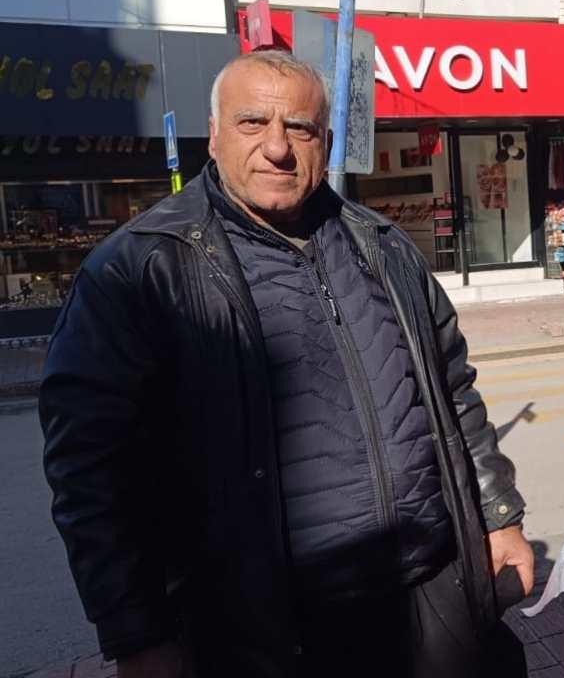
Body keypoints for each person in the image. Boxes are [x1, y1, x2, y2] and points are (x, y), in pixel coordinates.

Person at [39, 50, 533, 678]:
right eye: (252, 124)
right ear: (213, 135)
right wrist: (137, 634)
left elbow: (453, 391)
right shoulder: (139, 269)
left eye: (299, 128)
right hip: (264, 630)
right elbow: (89, 473)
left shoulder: (381, 244)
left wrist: (498, 516)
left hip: (429, 590)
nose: (278, 147)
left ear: (324, 142)